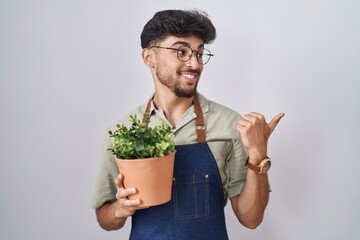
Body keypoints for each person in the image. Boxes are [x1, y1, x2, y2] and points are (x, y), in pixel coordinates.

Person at [91, 9, 284, 239]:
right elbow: (105, 219)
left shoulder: (230, 124)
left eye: (199, 53)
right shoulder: (121, 134)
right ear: (149, 57)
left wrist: (258, 156)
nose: (195, 63)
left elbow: (251, 219)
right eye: (181, 52)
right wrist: (120, 210)